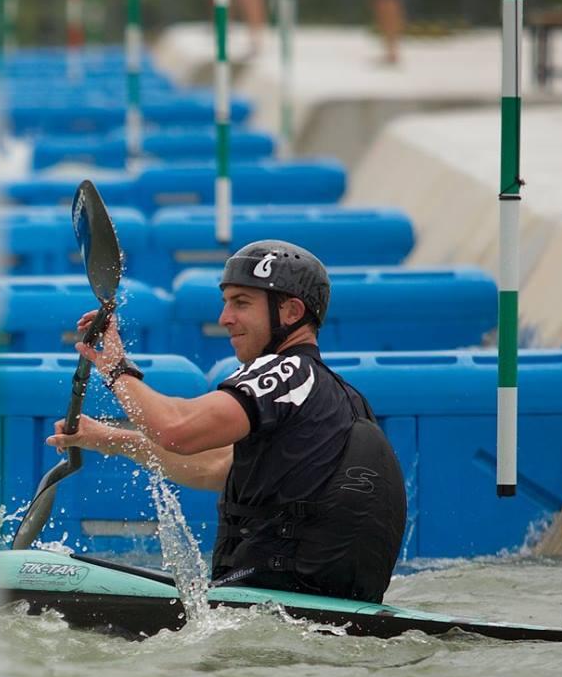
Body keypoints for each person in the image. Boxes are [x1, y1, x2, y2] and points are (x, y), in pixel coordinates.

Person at [47, 241, 407, 604]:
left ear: (291, 312)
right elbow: (214, 466)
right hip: (305, 608)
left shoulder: (284, 371)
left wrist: (116, 368)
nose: (225, 318)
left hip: (269, 603)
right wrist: (109, 439)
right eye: (225, 303)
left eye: (242, 303)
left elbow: (177, 429)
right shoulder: (339, 398)